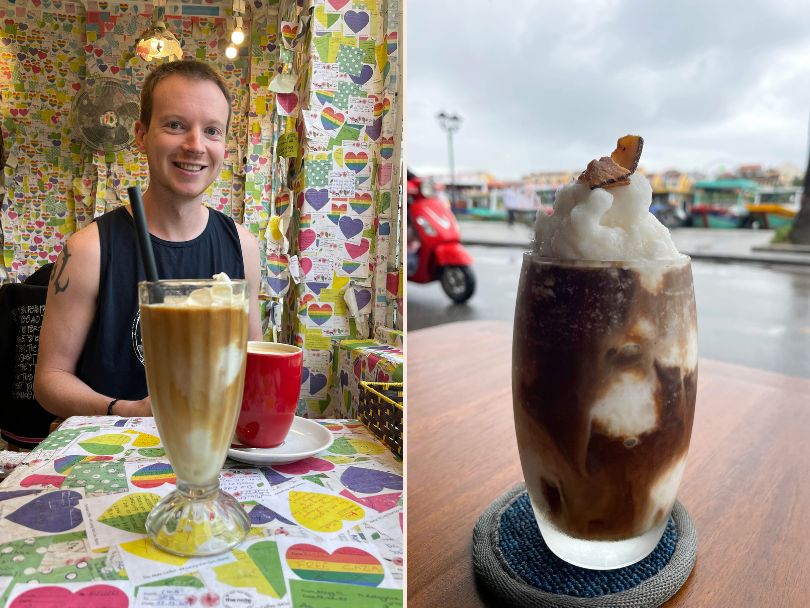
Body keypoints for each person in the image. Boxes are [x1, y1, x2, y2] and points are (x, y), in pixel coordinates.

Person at [34, 60, 262, 419]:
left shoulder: (243, 248)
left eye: (212, 131)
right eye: (175, 125)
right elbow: (50, 380)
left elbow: (253, 361)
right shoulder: (88, 251)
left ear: (225, 145)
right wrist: (128, 410)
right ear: (141, 134)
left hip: (212, 439)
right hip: (113, 444)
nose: (195, 145)